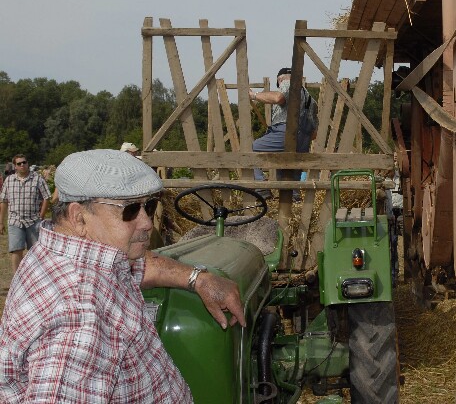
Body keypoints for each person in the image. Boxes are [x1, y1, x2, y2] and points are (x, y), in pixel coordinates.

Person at [0, 149, 247, 403]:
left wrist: (198, 278)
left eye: (149, 206)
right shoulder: (80, 316)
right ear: (79, 217)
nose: (147, 223)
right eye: (130, 210)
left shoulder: (60, 251)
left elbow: (136, 266)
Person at [250, 68, 314, 198]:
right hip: (304, 138)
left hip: (287, 131)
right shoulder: (309, 98)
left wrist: (254, 95)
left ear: (280, 79)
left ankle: (261, 187)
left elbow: (278, 97)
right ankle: (293, 197)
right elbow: (314, 134)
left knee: (251, 149)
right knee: (287, 166)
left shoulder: (288, 82)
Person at [0, 154, 51, 274]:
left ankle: (35, 277)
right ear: (15, 166)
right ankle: (17, 279)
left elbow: (47, 197)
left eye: (24, 162)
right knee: (16, 250)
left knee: (35, 251)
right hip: (15, 221)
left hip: (33, 221)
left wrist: (41, 216)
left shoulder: (37, 178)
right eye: (19, 163)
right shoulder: (9, 180)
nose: (22, 165)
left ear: (28, 163)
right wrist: (1, 222)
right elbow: (4, 201)